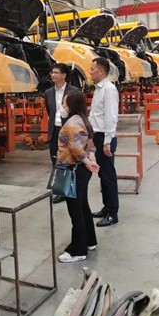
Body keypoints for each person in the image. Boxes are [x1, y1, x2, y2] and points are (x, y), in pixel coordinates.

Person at [56, 91, 100, 263]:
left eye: (65, 103)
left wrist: (88, 162)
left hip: (73, 169)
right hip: (81, 170)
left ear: (72, 105)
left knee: (75, 210)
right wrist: (90, 160)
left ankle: (78, 250)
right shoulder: (83, 120)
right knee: (82, 206)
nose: (63, 106)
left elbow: (76, 149)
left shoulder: (72, 123)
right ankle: (89, 240)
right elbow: (90, 145)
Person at [88, 57, 120, 227]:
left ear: (101, 71)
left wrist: (107, 142)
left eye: (92, 69)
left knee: (108, 176)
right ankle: (106, 208)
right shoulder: (99, 89)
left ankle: (112, 213)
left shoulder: (108, 89)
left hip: (105, 138)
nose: (90, 72)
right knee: (103, 175)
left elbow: (111, 117)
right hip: (99, 136)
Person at [44, 63, 79, 204]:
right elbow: (50, 112)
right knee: (56, 160)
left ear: (64, 75)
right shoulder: (48, 93)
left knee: (69, 160)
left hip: (68, 131)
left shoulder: (74, 92)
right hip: (54, 130)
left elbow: (77, 113)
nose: (53, 75)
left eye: (56, 72)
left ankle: (71, 188)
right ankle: (60, 191)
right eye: (52, 72)